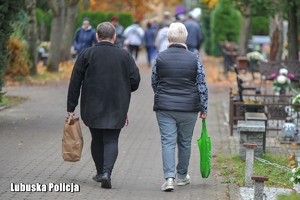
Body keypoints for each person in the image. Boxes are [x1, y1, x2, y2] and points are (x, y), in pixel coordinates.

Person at [67, 22, 140, 189]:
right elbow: (135, 81)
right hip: (117, 104)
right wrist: (125, 87)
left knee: (97, 139)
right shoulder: (125, 56)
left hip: (92, 104)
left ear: (96, 36)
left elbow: (75, 81)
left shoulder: (86, 54)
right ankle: (107, 172)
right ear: (114, 37)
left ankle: (100, 172)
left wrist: (71, 106)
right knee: (111, 138)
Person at [151, 22, 208, 192]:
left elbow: (154, 81)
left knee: (168, 142)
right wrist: (204, 107)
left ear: (168, 38)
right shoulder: (194, 58)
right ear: (186, 39)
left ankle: (169, 178)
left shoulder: (160, 57)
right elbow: (201, 84)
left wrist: (162, 94)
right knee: (185, 142)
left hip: (165, 107)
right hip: (189, 107)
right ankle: (182, 176)